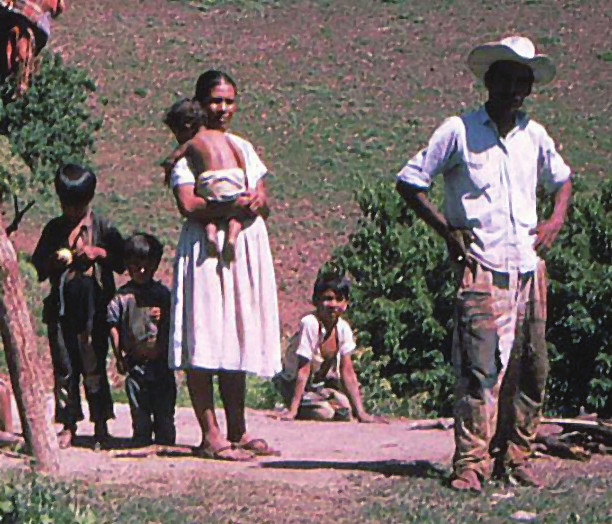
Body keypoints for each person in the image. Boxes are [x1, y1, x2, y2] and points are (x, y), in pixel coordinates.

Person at [395, 36, 572, 491]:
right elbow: (411, 181)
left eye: (523, 82)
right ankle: (470, 463)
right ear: (490, 81)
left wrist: (553, 220)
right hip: (482, 263)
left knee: (530, 367)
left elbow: (563, 180)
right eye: (507, 79)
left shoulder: (534, 135)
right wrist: (447, 230)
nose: (515, 90)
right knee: (479, 366)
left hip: (528, 267)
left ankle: (515, 456)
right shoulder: (458, 130)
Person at [168, 70, 282, 461]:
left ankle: (238, 428)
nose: (222, 109)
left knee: (235, 330)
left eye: (229, 101)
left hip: (243, 247)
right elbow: (188, 204)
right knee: (203, 333)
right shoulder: (190, 146)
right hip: (205, 248)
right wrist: (230, 206)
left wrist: (253, 204)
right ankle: (210, 434)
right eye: (215, 101)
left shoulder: (243, 147)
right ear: (200, 103)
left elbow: (263, 198)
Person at [32, 163, 124, 450]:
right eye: (67, 206)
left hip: (93, 312)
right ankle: (68, 423)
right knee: (65, 367)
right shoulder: (54, 229)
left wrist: (97, 254)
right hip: (62, 312)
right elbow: (39, 266)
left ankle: (100, 424)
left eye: (78, 206)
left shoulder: (102, 228)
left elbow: (121, 261)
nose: (72, 212)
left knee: (93, 365)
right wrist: (54, 262)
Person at [274, 275, 376, 423]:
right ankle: (297, 406)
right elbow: (303, 369)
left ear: (346, 303)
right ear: (316, 301)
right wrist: (293, 411)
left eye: (339, 299)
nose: (333, 304)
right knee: (325, 413)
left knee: (346, 411)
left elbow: (347, 371)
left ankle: (325, 403)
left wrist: (361, 412)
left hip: (319, 386)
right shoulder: (310, 324)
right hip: (294, 385)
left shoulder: (342, 328)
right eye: (328, 299)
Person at [107, 233, 176, 446]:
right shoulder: (123, 297)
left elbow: (175, 322)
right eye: (136, 266)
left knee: (164, 408)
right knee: (139, 407)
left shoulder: (163, 294)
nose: (142, 271)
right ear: (128, 265)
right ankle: (142, 438)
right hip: (135, 363)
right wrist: (119, 356)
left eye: (148, 266)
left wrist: (164, 316)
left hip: (162, 363)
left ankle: (165, 439)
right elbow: (113, 326)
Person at [163, 98, 249, 262]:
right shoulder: (224, 137)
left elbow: (173, 157)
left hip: (212, 181)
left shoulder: (191, 142)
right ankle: (232, 237)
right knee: (237, 215)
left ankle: (210, 234)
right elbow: (238, 153)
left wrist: (168, 168)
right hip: (235, 177)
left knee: (208, 214)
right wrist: (242, 177)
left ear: (186, 127)